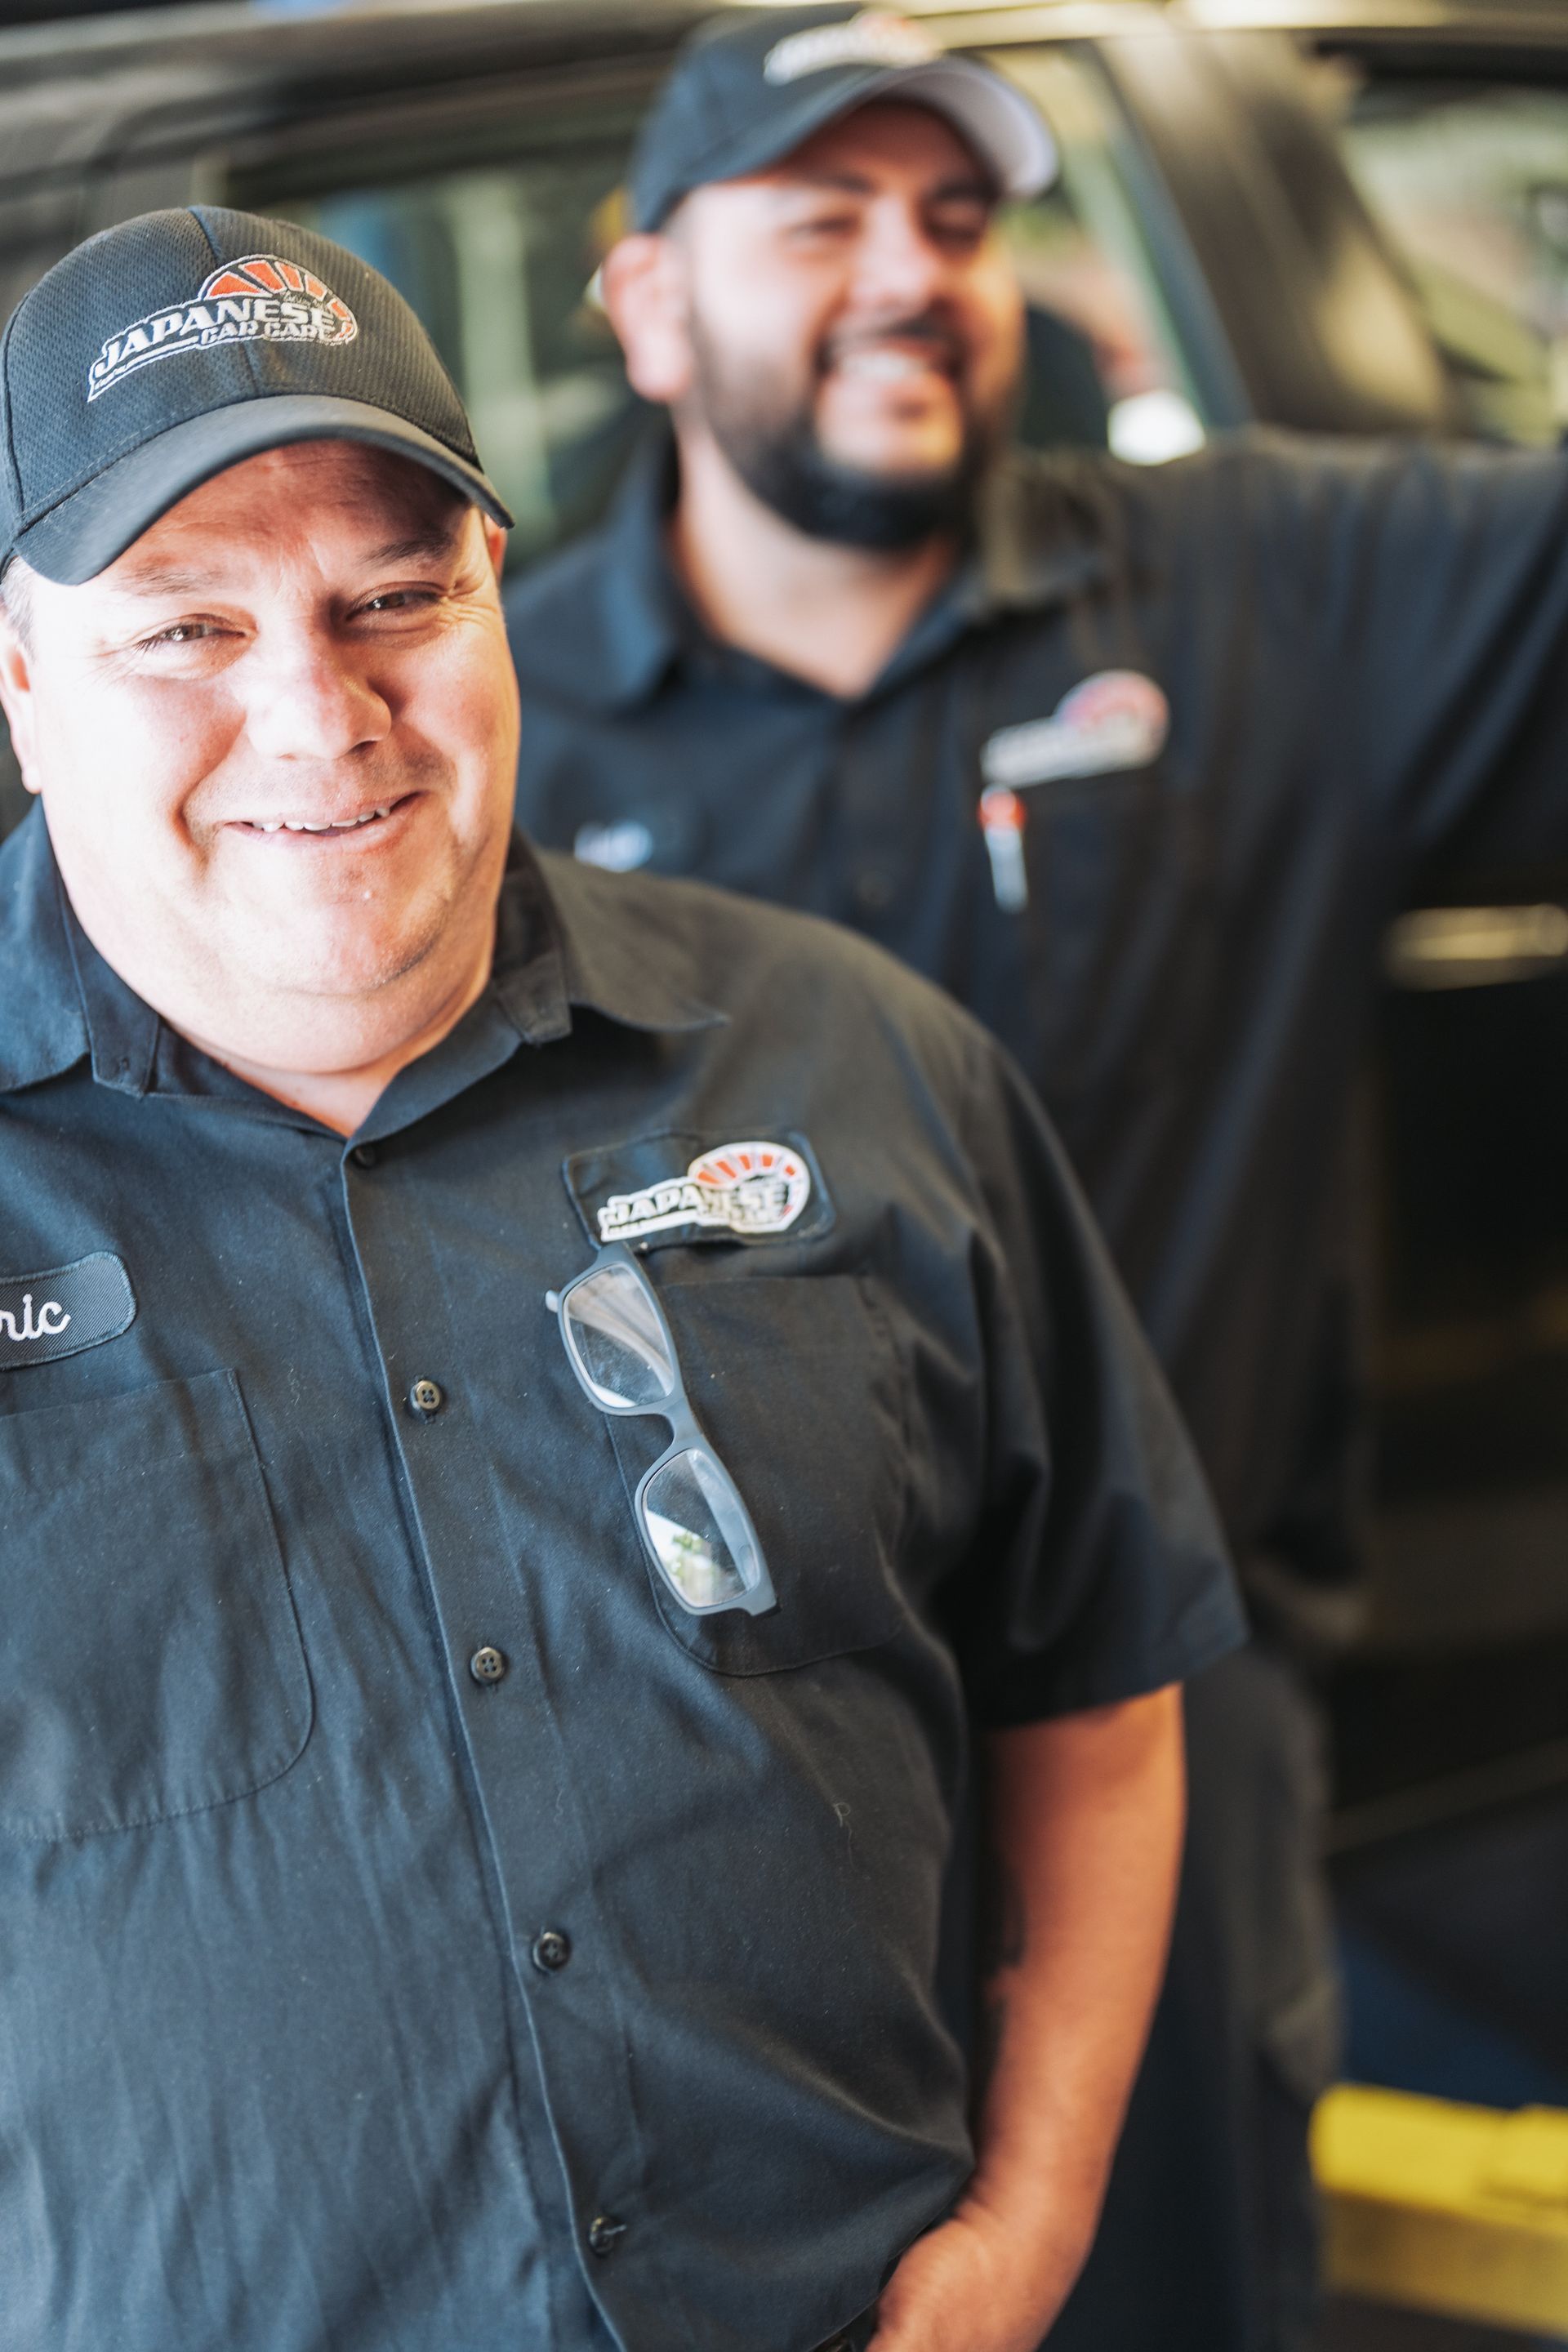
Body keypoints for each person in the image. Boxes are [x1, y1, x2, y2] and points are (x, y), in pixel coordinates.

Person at [0, 205, 1241, 2352]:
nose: (318, 712)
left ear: (502, 609)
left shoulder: (859, 1065)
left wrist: (1027, 2237)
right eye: (185, 632)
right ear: (23, 680)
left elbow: (1099, 1694)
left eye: (395, 599)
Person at [502, 10, 1568, 2348]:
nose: (912, 274)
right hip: (687, 1785)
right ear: (651, 305)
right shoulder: (482, 733)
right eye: (824, 220)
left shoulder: (1258, 595)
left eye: (961, 219)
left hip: (1164, 1728)